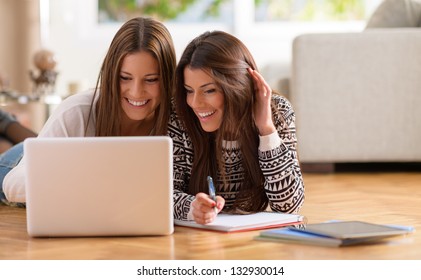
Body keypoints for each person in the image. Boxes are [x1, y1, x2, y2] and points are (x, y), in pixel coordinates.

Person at [1, 17, 176, 205]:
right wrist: (87, 184)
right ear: (110, 74)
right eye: (125, 77)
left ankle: (8, 124)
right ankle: (7, 124)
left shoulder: (178, 119)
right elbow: (13, 185)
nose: (136, 92)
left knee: (39, 143)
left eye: (151, 80)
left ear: (168, 78)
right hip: (12, 164)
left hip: (52, 151)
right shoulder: (77, 111)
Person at [170, 30, 305, 225]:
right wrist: (193, 207)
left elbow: (289, 206)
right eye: (189, 91)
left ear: (237, 85)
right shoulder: (179, 115)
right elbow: (162, 195)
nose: (195, 103)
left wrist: (266, 129)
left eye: (209, 90)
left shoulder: (277, 111)